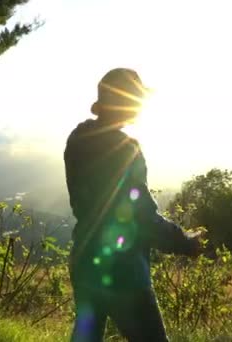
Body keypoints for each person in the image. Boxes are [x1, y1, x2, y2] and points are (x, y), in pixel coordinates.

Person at [64, 68, 202, 342]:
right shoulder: (126, 149)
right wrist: (185, 242)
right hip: (124, 271)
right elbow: (142, 217)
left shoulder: (77, 139)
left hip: (84, 260)